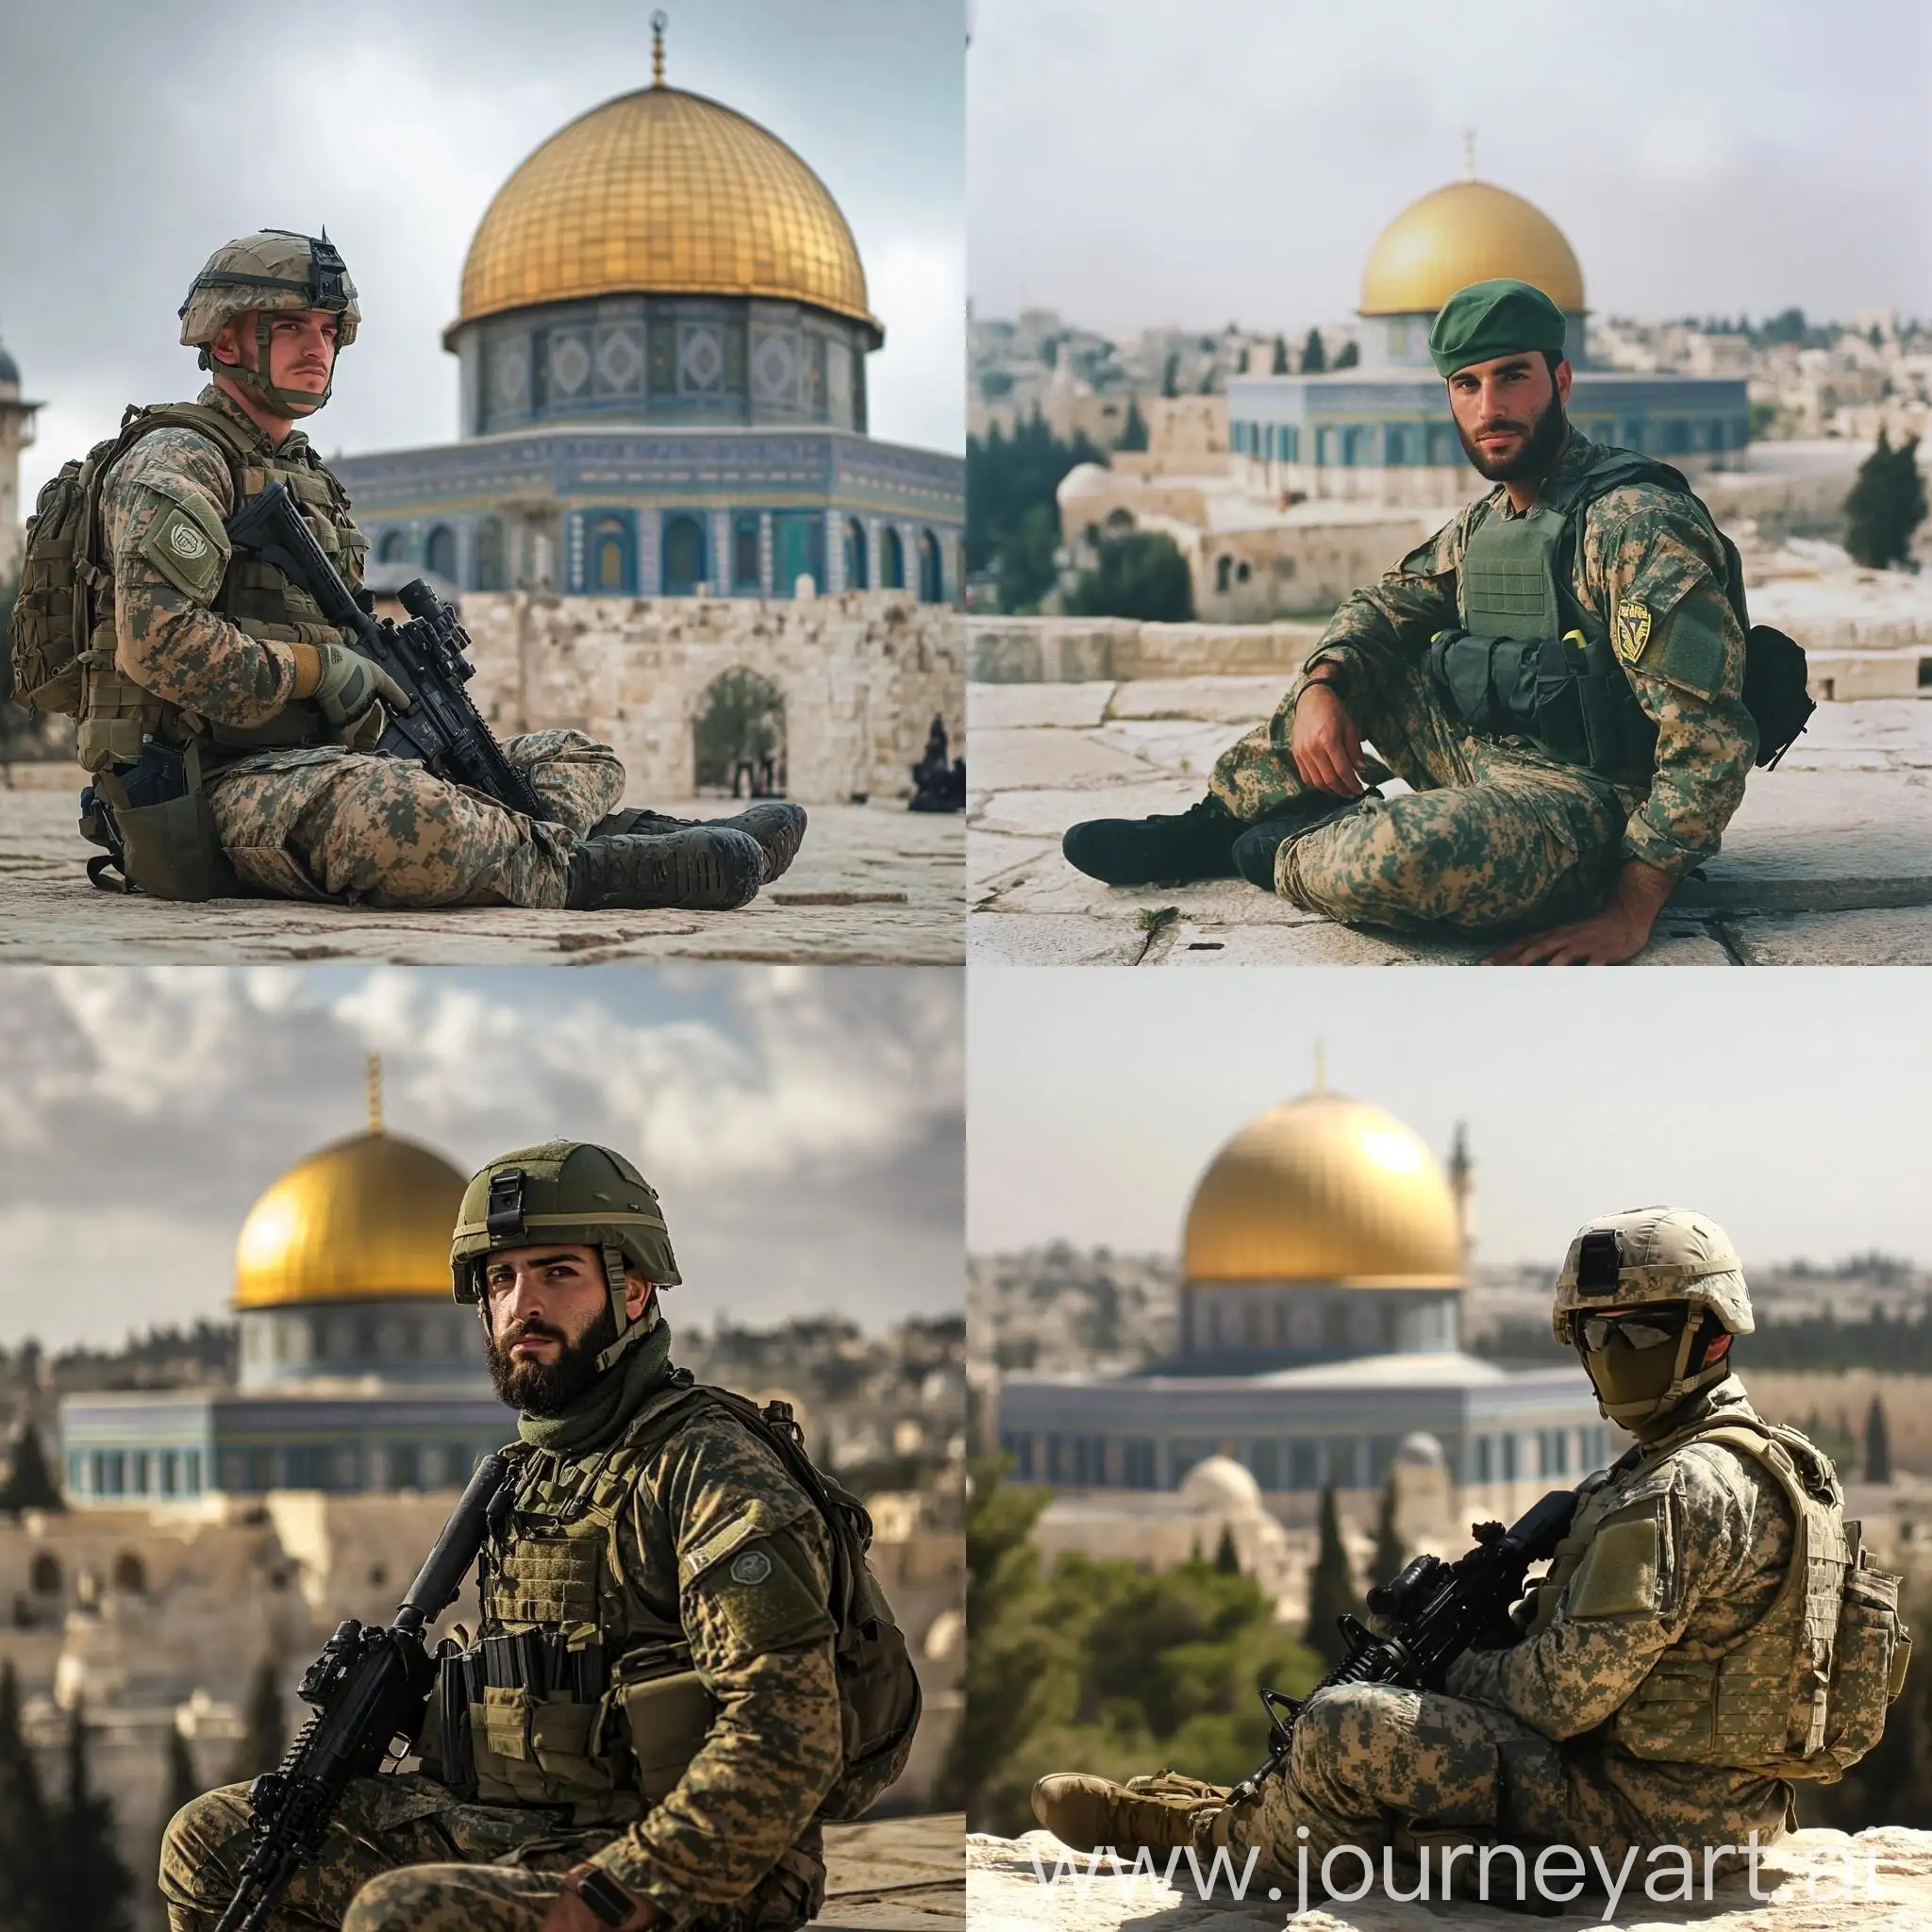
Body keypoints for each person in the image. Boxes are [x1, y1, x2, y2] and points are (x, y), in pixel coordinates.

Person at [1030, 1208, 1907, 1907]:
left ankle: (1205, 1842)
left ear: (1713, 1335)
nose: (1610, 1358)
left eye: (1637, 1332)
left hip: (1647, 1824)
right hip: (1731, 1814)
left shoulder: (1678, 1489)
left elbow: (1562, 1697)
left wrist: (1441, 1674)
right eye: (1593, 1336)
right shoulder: (1782, 1461)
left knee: (1346, 1728)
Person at [161, 1141, 915, 1932]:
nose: (523, 1304)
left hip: (709, 1867)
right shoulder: (535, 1471)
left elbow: (786, 1740)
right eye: (501, 1279)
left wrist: (616, 1890)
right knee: (211, 1843)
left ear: (634, 1287)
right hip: (534, 1829)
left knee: (401, 1914)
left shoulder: (706, 1465)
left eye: (558, 1273)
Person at [74, 230, 805, 910]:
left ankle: (616, 839)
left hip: (327, 757)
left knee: (580, 758)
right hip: (204, 782)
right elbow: (157, 646)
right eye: (292, 328)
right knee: (408, 815)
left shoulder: (306, 479)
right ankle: (592, 867)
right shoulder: (177, 462)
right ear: (226, 337)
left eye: (329, 332)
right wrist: (318, 672)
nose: (317, 349)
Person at [1061, 279, 1764, 964]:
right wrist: (1321, 688)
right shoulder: (1492, 520)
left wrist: (1633, 906)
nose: (1491, 408)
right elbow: (1383, 604)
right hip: (1486, 761)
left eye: (1513, 377)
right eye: (1467, 385)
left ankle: (1275, 848)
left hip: (1589, 807)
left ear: (1562, 380)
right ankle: (1216, 823)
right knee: (1368, 658)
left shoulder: (1635, 523)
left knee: (1404, 855)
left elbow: (1710, 738)